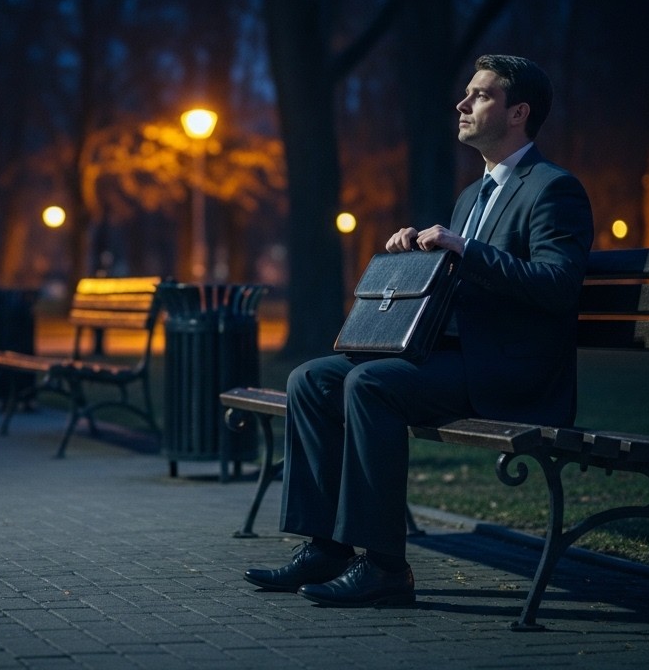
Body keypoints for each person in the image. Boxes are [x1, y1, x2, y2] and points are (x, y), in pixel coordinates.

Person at [243, 54, 594, 607]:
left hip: (510, 372)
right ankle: (326, 548)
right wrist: (419, 255)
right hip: (453, 357)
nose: (462, 104)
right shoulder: (471, 196)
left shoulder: (553, 189)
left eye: (479, 95)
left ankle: (383, 566)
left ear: (518, 112)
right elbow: (463, 281)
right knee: (312, 380)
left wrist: (463, 248)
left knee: (372, 384)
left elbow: (558, 286)